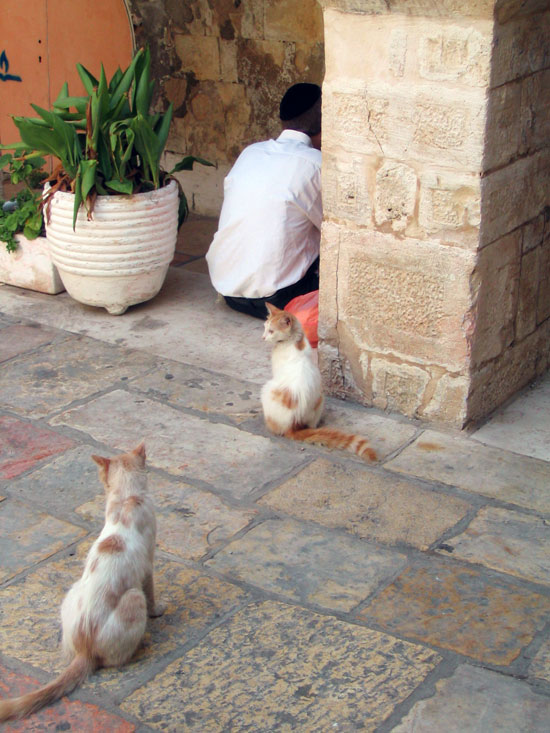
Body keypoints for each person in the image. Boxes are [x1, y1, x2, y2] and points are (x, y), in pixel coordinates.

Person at [206, 82, 322, 319]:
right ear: (324, 122)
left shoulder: (251, 152)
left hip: (227, 288)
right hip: (279, 299)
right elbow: (332, 230)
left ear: (283, 121)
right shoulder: (314, 164)